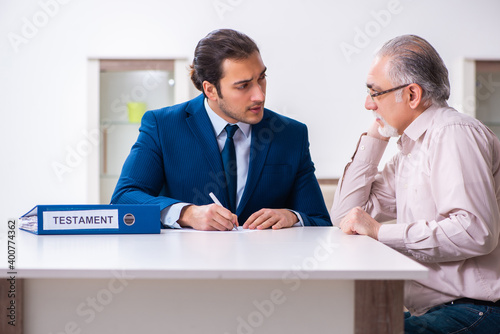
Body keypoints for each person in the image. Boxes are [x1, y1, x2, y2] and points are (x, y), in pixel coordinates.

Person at [331, 34, 500, 333]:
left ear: (411, 95)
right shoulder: (411, 148)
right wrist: (376, 136)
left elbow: (475, 231)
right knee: (349, 325)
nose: (368, 104)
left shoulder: (453, 133)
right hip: (442, 310)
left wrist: (382, 232)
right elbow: (346, 215)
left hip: (477, 309)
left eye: (375, 93)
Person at [111, 29, 331, 231]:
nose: (260, 96)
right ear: (211, 90)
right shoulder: (163, 126)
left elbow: (319, 219)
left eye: (261, 78)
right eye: (243, 85)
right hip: (187, 265)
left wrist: (292, 217)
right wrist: (186, 213)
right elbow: (124, 197)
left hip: (267, 268)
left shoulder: (292, 134)